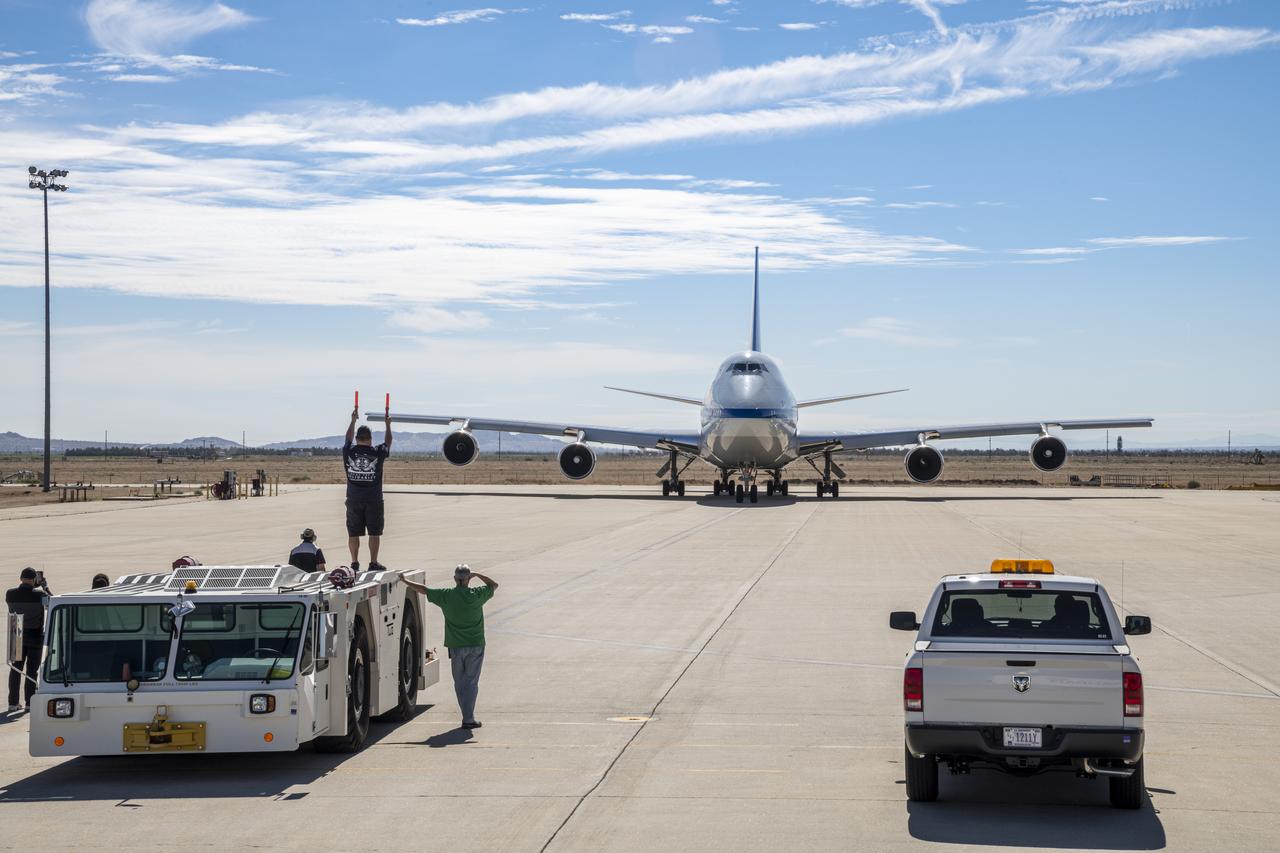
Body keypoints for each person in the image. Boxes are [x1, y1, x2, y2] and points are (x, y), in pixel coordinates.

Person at [403, 565, 497, 729]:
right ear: (468, 580)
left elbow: (424, 590)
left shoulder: (447, 596)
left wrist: (405, 581)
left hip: (455, 647)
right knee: (471, 683)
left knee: (459, 683)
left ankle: (467, 716)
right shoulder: (477, 595)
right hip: (475, 645)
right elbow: (493, 585)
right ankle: (468, 718)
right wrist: (477, 574)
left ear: (455, 579)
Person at [343, 404, 391, 572]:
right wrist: (387, 425)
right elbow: (388, 443)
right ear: (370, 438)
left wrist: (352, 421)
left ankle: (354, 562)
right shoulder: (377, 452)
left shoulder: (349, 451)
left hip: (354, 499)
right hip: (373, 500)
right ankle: (373, 562)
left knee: (353, 533)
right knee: (374, 532)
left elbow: (347, 439)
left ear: (357, 438)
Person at [6, 568, 50, 713]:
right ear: (34, 579)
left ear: (21, 578)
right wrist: (44, 587)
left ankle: (13, 702)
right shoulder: (40, 595)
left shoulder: (10, 594)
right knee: (32, 670)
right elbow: (52, 602)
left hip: (16, 635)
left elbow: (22, 596)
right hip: (35, 636)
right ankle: (29, 702)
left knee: (15, 669)